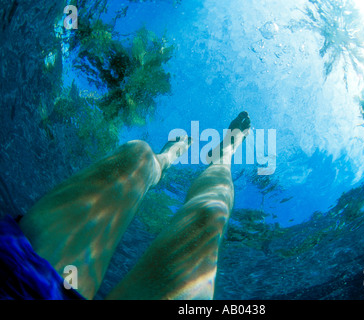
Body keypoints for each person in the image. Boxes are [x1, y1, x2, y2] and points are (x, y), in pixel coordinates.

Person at [0, 111, 251, 300]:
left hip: (24, 278)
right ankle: (210, 157)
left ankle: (179, 159)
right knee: (208, 218)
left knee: (137, 157)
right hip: (43, 284)